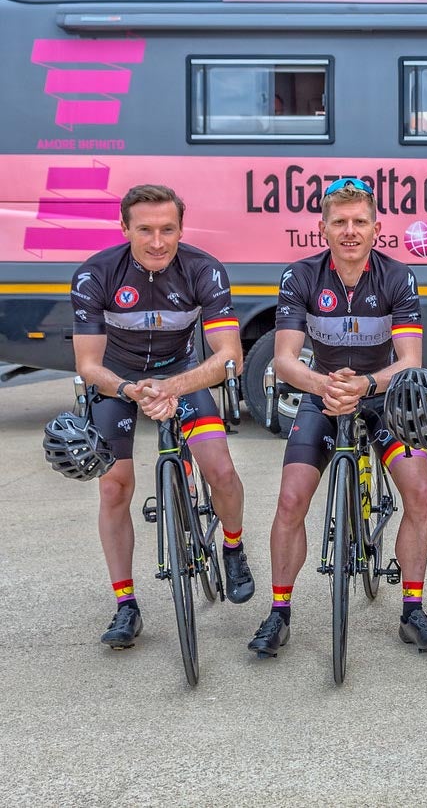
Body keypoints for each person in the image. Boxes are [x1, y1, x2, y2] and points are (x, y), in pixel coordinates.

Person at [247, 177, 427, 657]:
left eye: (360, 221)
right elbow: (284, 358)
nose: (350, 231)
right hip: (324, 394)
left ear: (377, 228)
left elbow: (411, 360)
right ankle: (279, 613)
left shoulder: (397, 276)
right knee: (291, 499)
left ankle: (413, 611)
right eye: (340, 222)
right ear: (324, 229)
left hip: (384, 396)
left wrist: (367, 385)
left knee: (419, 491)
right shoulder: (300, 277)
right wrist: (324, 387)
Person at [71, 184, 254, 649]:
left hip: (182, 376)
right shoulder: (96, 274)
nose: (157, 241)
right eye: (145, 230)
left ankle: (232, 546)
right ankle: (125, 604)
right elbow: (89, 366)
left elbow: (229, 354)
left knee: (222, 471)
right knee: (114, 486)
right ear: (125, 228)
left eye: (168, 229)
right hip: (120, 382)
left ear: (180, 228)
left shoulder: (203, 270)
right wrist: (134, 390)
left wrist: (173, 387)